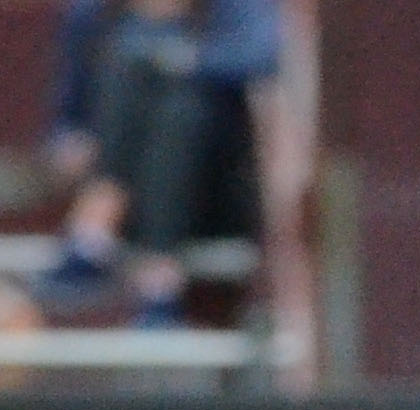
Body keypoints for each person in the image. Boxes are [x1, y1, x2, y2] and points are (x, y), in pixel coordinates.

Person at [34, 0, 274, 328]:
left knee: (180, 106)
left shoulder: (233, 7)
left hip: (210, 194)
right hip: (130, 190)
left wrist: (178, 60)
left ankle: (94, 231)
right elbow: (70, 114)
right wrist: (71, 143)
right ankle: (158, 279)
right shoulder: (93, 12)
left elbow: (263, 56)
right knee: (130, 71)